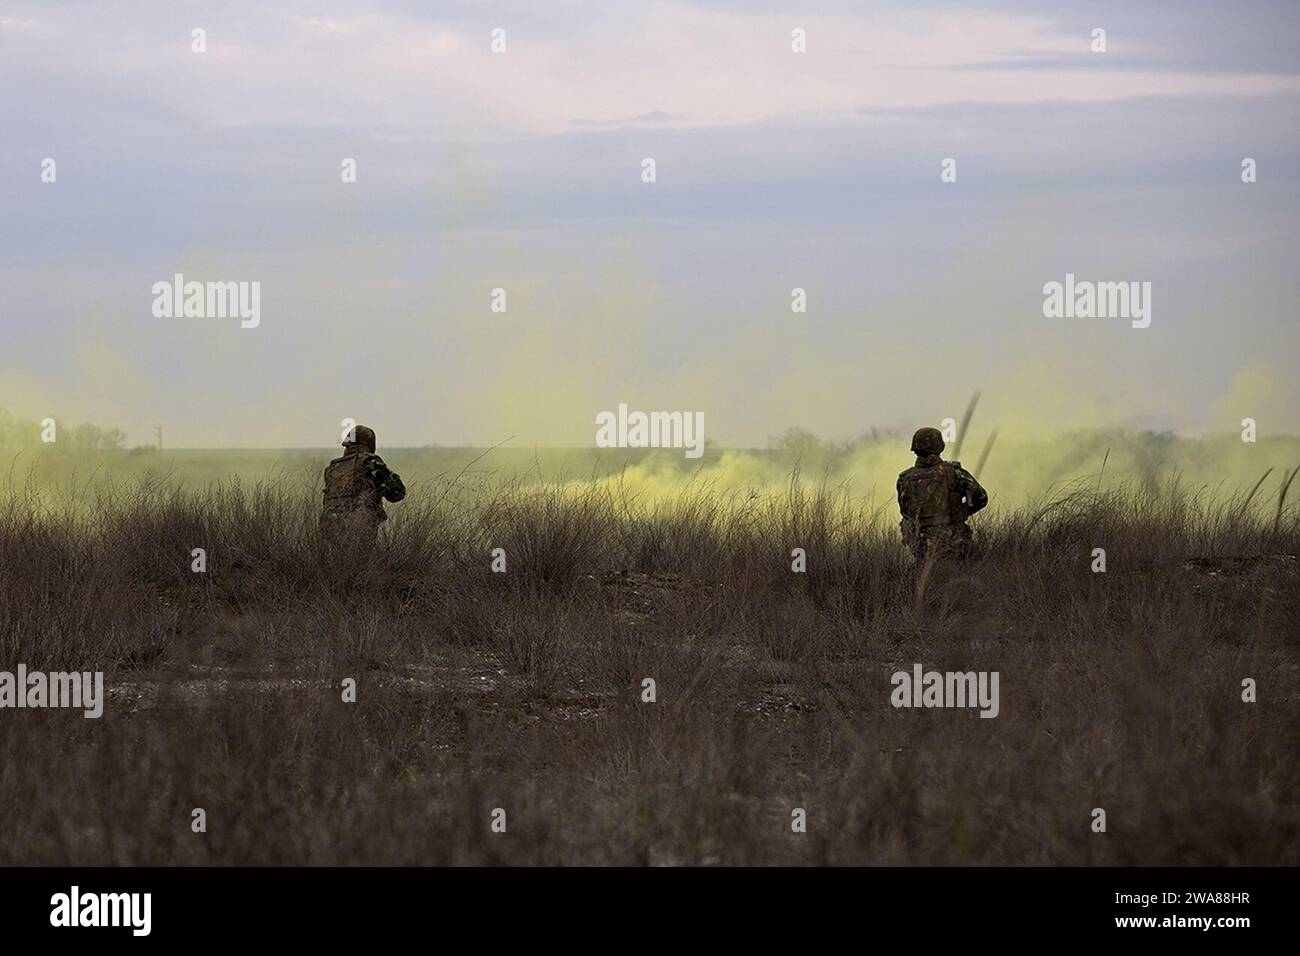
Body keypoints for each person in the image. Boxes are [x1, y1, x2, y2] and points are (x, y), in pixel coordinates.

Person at [896, 426, 987, 562]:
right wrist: (961, 512)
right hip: (954, 543)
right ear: (939, 446)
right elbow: (981, 498)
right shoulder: (953, 472)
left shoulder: (904, 478)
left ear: (915, 448)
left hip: (921, 547)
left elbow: (905, 512)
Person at [320, 424, 405, 542]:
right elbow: (397, 492)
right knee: (362, 559)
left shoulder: (333, 467)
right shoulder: (369, 461)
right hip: (359, 525)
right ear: (370, 442)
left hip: (330, 526)